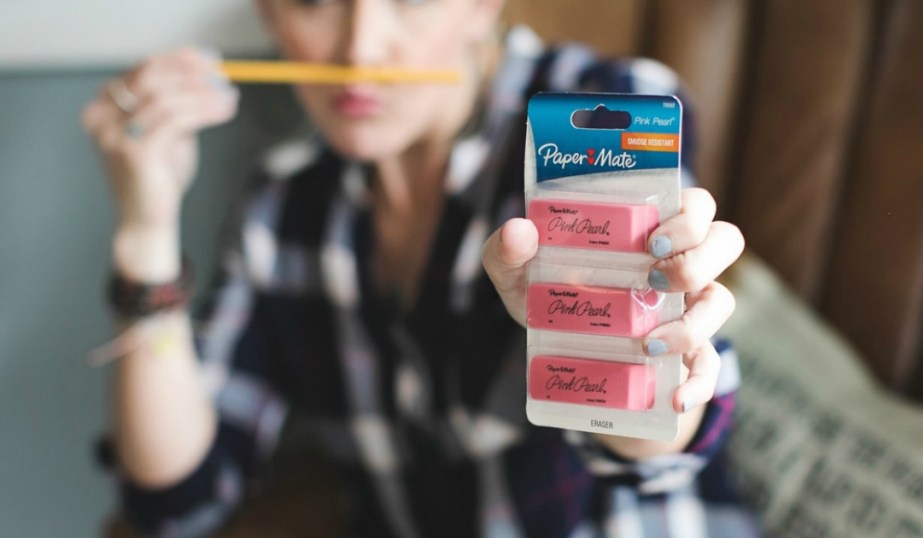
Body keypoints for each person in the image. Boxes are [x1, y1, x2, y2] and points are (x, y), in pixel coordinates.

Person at [81, 0, 751, 536]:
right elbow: (177, 502)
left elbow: (657, 458)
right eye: (314, 1)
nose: (360, 50)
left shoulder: (602, 112)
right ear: (269, 13)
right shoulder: (283, 207)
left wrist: (648, 366)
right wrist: (147, 231)